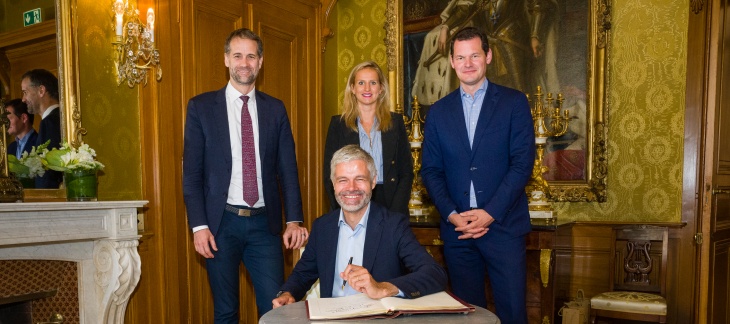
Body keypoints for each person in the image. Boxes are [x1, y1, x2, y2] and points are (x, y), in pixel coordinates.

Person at [183, 28, 309, 322]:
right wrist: (198, 226)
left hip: (265, 227)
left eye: (251, 56)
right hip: (219, 225)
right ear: (226, 59)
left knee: (276, 309)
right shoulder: (201, 108)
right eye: (237, 55)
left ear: (260, 62)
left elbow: (287, 169)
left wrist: (294, 219)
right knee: (226, 311)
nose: (244, 62)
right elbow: (191, 174)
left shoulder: (275, 109)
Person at [420, 27, 535, 324]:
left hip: (504, 227)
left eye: (474, 55)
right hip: (457, 232)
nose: (468, 63)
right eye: (461, 57)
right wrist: (452, 215)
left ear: (488, 56)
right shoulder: (438, 113)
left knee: (512, 313)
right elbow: (430, 170)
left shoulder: (514, 102)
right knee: (468, 317)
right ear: (452, 61)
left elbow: (522, 163)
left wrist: (490, 213)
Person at [272, 145, 446, 307]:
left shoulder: (393, 225)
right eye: (343, 180)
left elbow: (435, 274)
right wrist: (287, 293)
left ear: (373, 181)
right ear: (333, 184)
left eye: (360, 179)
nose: (351, 188)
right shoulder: (322, 227)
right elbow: (302, 275)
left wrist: (383, 288)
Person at [324, 61, 413, 215]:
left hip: (391, 202)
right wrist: (344, 210)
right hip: (353, 199)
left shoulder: (396, 122)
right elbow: (330, 174)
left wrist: (396, 214)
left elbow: (406, 172)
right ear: (352, 88)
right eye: (361, 83)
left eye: (373, 83)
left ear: (381, 88)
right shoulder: (338, 125)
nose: (367, 89)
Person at [21, 69, 62, 188]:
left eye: (25, 92)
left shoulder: (49, 122)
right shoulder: (60, 118)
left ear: (41, 90)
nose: (23, 99)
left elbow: (47, 173)